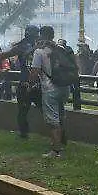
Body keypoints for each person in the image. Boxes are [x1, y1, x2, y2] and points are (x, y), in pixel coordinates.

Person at [30, 26, 66, 158]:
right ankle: (60, 143)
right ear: (53, 35)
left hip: (50, 88)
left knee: (52, 120)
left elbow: (34, 72)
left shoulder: (39, 51)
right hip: (64, 88)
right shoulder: (61, 49)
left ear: (41, 35)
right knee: (60, 116)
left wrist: (30, 84)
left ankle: (56, 151)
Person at [0, 25, 39, 140]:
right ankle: (56, 134)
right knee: (42, 109)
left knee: (23, 110)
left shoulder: (22, 46)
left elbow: (4, 55)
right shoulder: (38, 46)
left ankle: (24, 133)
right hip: (36, 83)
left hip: (26, 82)